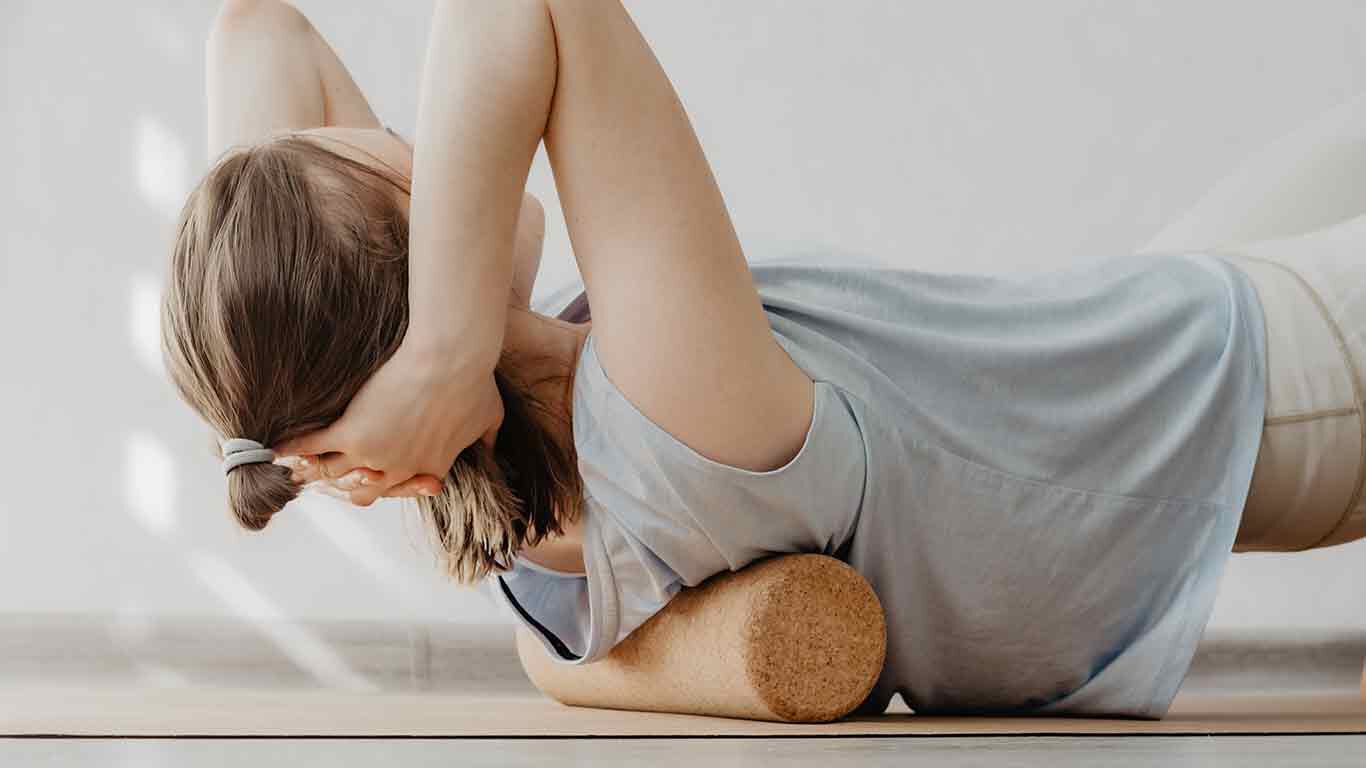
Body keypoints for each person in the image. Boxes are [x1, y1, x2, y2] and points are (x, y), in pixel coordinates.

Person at [162, 0, 1366, 719]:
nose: (414, 135)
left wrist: (285, 408)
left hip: (1167, 311)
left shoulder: (524, 518)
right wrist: (441, 344)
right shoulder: (657, 419)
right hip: (1279, 379)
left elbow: (254, 24)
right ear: (421, 301)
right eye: (392, 158)